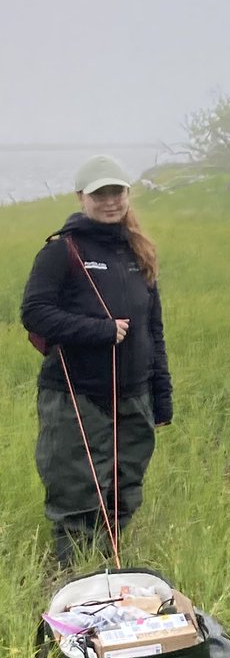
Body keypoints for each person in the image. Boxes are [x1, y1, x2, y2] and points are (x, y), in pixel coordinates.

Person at [21, 154, 172, 567]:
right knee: (76, 491)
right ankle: (75, 577)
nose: (109, 201)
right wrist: (100, 330)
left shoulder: (138, 251)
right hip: (76, 395)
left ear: (128, 194)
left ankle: (110, 565)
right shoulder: (61, 251)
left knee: (125, 488)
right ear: (81, 197)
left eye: (116, 192)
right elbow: (34, 313)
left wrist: (162, 394)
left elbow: (152, 329)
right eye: (99, 193)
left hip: (134, 394)